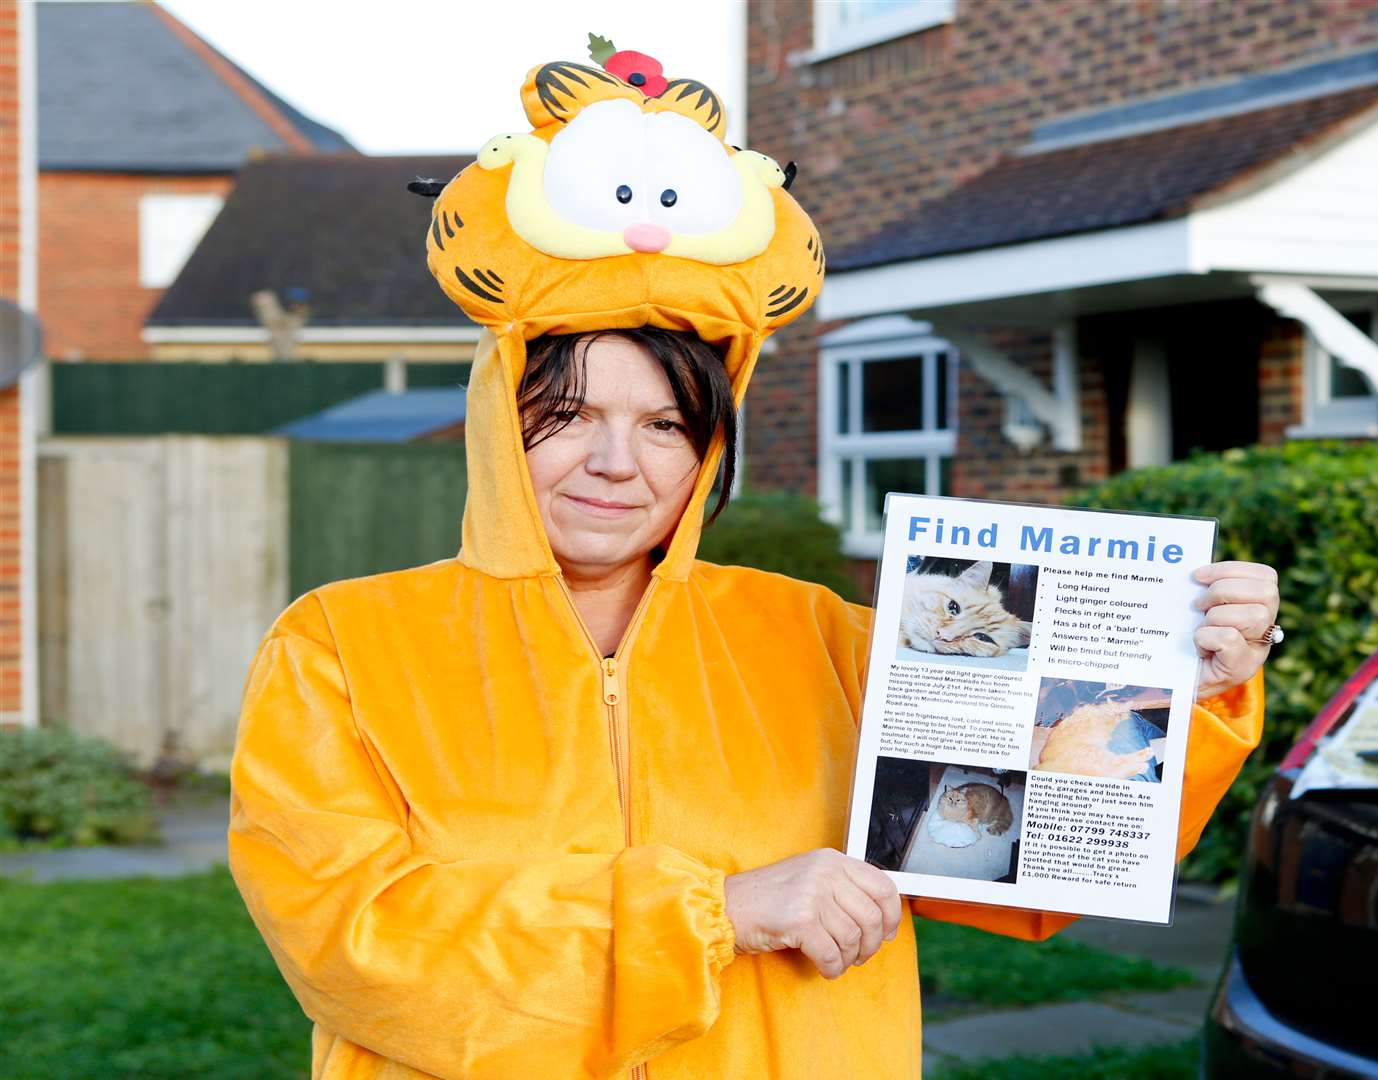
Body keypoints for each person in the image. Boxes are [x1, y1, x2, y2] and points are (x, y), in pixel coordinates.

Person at [228, 47, 1279, 1080]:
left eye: (665, 425)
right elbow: (354, 944)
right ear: (501, 420)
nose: (613, 463)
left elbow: (1035, 869)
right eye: (570, 414)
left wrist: (1196, 684)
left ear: (708, 450)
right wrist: (717, 915)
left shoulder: (826, 640)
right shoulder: (341, 649)